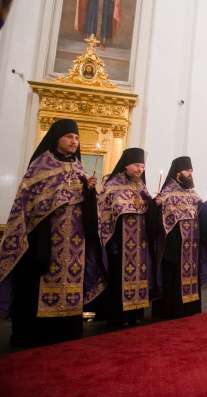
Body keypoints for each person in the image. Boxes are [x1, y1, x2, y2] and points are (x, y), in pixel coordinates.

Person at [0, 119, 104, 346]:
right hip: (45, 238)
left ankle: (66, 329)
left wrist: (89, 191)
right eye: (69, 137)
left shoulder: (79, 169)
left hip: (75, 241)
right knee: (38, 281)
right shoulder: (40, 166)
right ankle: (37, 332)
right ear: (57, 138)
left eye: (76, 138)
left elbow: (86, 208)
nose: (74, 141)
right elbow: (29, 204)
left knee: (72, 281)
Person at [96, 148, 153, 326]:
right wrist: (110, 239)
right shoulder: (111, 185)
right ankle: (118, 317)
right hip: (118, 243)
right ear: (126, 165)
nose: (140, 169)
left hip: (140, 244)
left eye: (142, 166)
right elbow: (103, 214)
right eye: (137, 165)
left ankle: (135, 314)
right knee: (117, 278)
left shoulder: (141, 187)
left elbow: (149, 212)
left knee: (139, 276)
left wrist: (154, 204)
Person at [152, 156, 207, 319]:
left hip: (191, 247)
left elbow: (200, 216)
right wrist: (155, 205)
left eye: (191, 171)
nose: (190, 174)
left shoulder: (193, 195)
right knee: (172, 276)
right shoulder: (166, 194)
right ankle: (171, 310)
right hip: (173, 246)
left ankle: (190, 308)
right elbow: (160, 221)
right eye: (187, 171)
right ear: (177, 173)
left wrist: (206, 209)